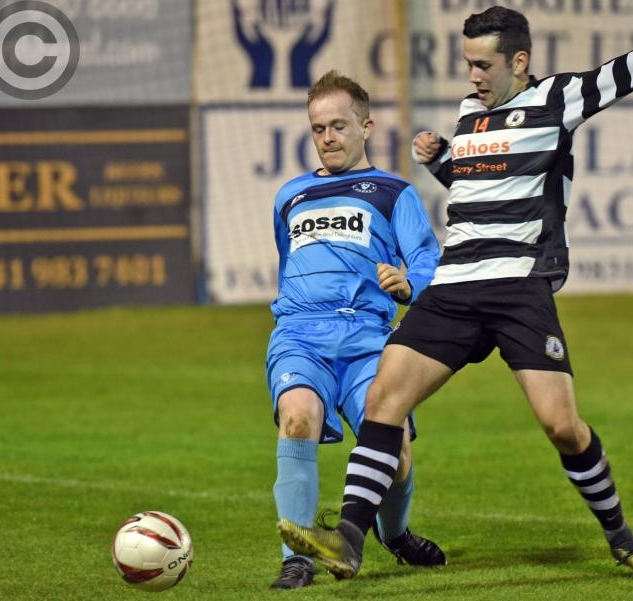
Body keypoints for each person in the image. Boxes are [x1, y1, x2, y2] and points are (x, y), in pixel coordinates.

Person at [278, 7, 633, 582]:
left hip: (518, 287)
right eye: (468, 64)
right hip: (455, 286)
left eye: (483, 65)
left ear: (519, 61)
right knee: (385, 401)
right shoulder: (469, 113)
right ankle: (349, 540)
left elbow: (618, 75)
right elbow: (478, 189)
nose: (473, 76)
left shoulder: (556, 100)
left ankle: (621, 538)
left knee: (562, 426)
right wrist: (442, 161)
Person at [266, 70, 445, 589]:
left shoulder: (394, 192)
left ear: (366, 127)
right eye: (318, 128)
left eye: (338, 126)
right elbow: (289, 263)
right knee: (296, 417)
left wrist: (408, 284)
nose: (327, 138)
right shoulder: (290, 195)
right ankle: (297, 559)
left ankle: (395, 534)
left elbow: (427, 261)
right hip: (300, 335)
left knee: (396, 449)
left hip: (369, 339)